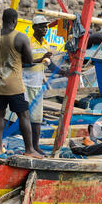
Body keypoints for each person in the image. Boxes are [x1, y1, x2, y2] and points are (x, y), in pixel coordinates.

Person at [0, 8, 43, 159]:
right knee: (24, 115)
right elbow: (30, 61)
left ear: (3, 20)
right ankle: (29, 149)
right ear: (14, 21)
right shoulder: (20, 38)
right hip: (14, 85)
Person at [20, 15, 67, 155]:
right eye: (41, 26)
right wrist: (41, 59)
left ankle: (35, 146)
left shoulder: (46, 44)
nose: (44, 29)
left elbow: (49, 63)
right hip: (24, 85)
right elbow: (23, 63)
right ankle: (15, 143)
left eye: (46, 26)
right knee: (19, 116)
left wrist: (64, 72)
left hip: (37, 86)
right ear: (34, 27)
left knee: (36, 118)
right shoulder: (27, 43)